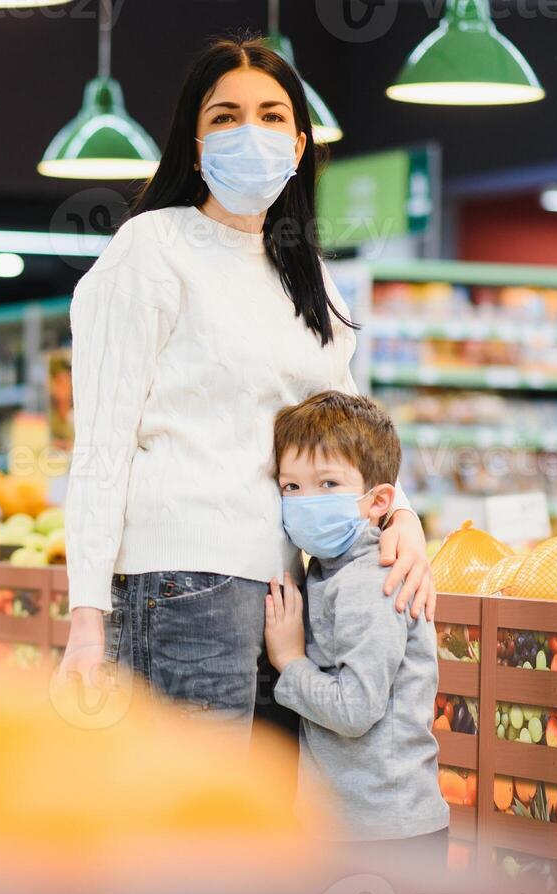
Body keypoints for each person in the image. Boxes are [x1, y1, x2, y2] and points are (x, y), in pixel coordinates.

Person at [58, 35, 437, 743]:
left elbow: (344, 422)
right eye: (225, 117)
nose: (249, 133)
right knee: (194, 832)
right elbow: (103, 442)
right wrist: (86, 617)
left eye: (269, 116)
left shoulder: (305, 273)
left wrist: (403, 517)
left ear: (298, 146)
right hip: (181, 578)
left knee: (256, 830)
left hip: (287, 589)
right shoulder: (151, 249)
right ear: (195, 146)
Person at [263, 390, 449, 860]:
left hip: (386, 834)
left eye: (328, 484)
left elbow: (355, 710)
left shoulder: (369, 580)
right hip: (359, 825)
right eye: (292, 488)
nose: (307, 501)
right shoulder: (327, 568)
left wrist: (290, 661)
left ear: (378, 500)